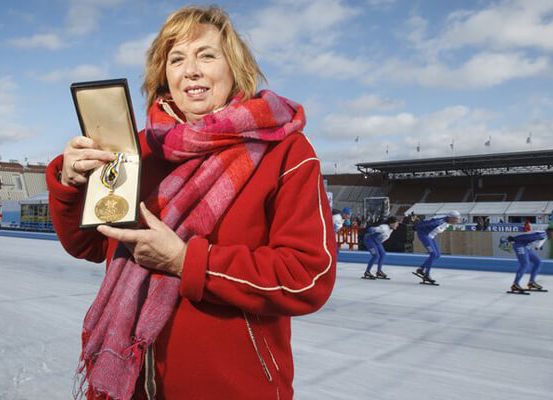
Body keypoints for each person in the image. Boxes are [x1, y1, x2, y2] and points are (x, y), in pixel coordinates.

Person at [46, 6, 336, 400]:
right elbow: (90, 245)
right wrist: (71, 185)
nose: (191, 70)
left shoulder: (284, 150)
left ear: (234, 67)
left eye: (207, 55)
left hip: (232, 389)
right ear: (163, 74)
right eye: (177, 58)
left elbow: (307, 276)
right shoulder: (138, 149)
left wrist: (187, 262)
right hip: (131, 385)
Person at [504, 223, 553, 293]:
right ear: (552, 232)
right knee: (525, 264)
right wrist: (514, 238)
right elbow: (527, 236)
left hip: (526, 247)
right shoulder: (541, 235)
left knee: (538, 262)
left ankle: (531, 282)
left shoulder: (544, 235)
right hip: (519, 245)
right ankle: (515, 284)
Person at [413, 210, 461, 284]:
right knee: (433, 254)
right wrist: (416, 225)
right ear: (451, 218)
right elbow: (426, 223)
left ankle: (421, 269)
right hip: (424, 235)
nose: (458, 221)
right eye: (456, 219)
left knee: (437, 255)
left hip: (431, 236)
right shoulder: (439, 222)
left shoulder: (447, 221)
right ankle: (426, 275)